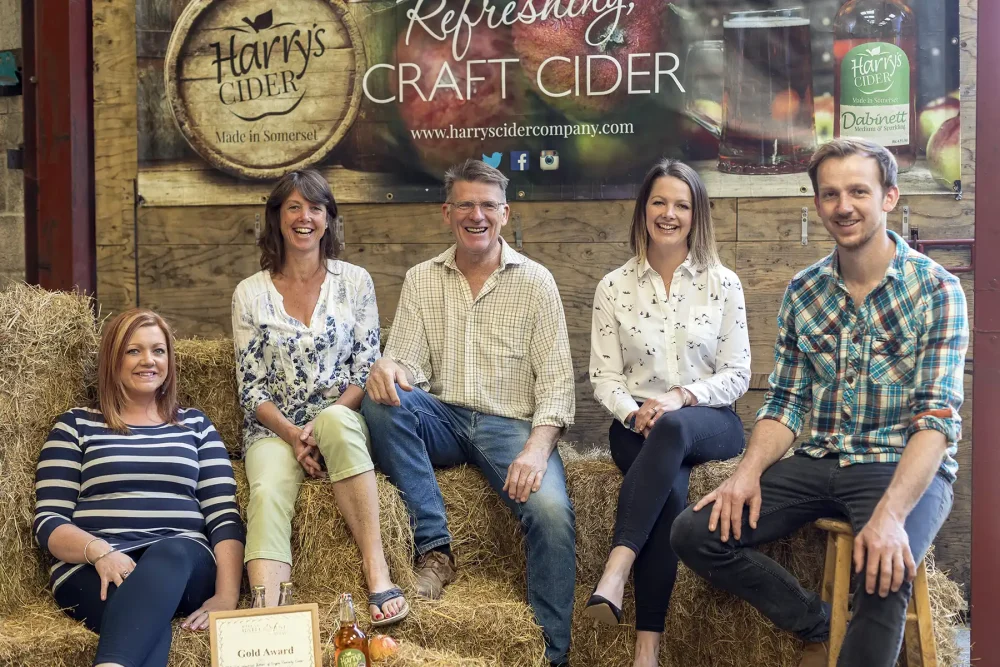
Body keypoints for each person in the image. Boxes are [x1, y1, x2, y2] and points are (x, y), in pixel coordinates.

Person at [670, 138, 968, 667]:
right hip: (820, 461)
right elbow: (786, 402)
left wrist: (892, 516)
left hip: (896, 464)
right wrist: (746, 475)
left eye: (858, 191)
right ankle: (818, 622)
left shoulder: (937, 290)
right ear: (817, 204)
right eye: (830, 194)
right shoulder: (804, 291)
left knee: (883, 571)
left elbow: (936, 420)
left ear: (889, 197)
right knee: (696, 532)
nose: (843, 205)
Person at [360, 159, 577, 667]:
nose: (475, 215)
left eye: (487, 205)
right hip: (445, 418)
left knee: (552, 514)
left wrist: (536, 448)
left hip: (511, 427)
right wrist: (388, 365)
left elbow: (558, 383)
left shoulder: (536, 282)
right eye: (465, 204)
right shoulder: (421, 279)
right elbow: (410, 362)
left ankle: (553, 655)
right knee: (380, 396)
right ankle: (436, 549)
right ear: (446, 212)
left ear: (505, 213)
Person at [586, 159, 750, 666]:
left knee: (675, 426)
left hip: (710, 421)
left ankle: (616, 567)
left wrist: (680, 397)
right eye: (660, 201)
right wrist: (636, 414)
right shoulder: (614, 287)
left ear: (697, 215)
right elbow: (604, 379)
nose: (669, 213)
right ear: (644, 210)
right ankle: (647, 650)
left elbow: (738, 373)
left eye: (682, 204)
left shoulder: (724, 284)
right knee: (671, 489)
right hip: (635, 425)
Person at [232, 169, 407, 625]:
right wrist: (293, 434)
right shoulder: (250, 293)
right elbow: (251, 387)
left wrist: (320, 423)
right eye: (293, 207)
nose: (304, 217)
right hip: (275, 429)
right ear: (277, 218)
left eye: (315, 208)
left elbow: (366, 367)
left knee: (336, 425)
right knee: (267, 488)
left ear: (329, 220)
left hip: (342, 413)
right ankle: (268, 618)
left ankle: (377, 575)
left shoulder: (355, 282)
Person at [33, 309, 245, 667]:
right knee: (145, 617)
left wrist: (226, 596)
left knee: (170, 553)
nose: (148, 360)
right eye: (133, 351)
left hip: (185, 566)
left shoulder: (196, 426)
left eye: (158, 351)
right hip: (93, 565)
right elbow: (49, 520)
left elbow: (224, 517)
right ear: (112, 359)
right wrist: (100, 552)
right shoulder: (76, 426)